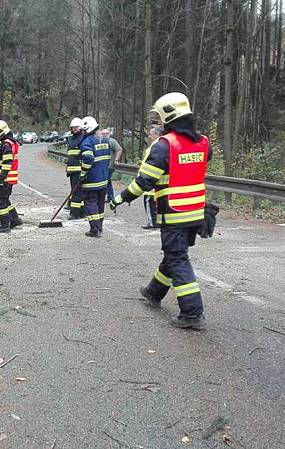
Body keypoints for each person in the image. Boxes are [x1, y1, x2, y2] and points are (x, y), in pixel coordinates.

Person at [110, 92, 211, 330]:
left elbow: (144, 181)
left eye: (160, 119)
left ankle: (192, 313)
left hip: (174, 214)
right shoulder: (203, 142)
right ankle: (154, 291)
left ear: (168, 117)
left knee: (178, 258)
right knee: (174, 254)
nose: (159, 124)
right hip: (196, 212)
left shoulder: (165, 146)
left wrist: (120, 198)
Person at [0, 120, 23, 233]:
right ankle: (15, 219)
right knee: (5, 199)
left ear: (0, 132)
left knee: (0, 202)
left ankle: (5, 225)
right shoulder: (10, 142)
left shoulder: (6, 145)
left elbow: (7, 163)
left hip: (6, 179)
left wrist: (1, 179)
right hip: (9, 179)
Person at [79, 116, 109, 237]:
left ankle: (94, 229)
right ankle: (100, 226)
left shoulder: (88, 141)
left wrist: (83, 173)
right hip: (103, 179)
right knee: (100, 204)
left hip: (91, 180)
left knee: (90, 203)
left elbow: (88, 158)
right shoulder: (104, 140)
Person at [140, 125, 162, 229]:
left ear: (157, 135)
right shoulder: (158, 145)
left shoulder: (156, 146)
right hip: (154, 179)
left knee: (149, 201)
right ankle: (156, 221)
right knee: (154, 202)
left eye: (151, 134)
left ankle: (152, 222)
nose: (149, 136)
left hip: (150, 179)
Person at [65, 117, 86, 219]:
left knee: (77, 192)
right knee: (76, 191)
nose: (74, 129)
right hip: (72, 170)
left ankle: (74, 213)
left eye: (76, 127)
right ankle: (81, 212)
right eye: (73, 127)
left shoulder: (83, 138)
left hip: (79, 170)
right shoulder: (71, 138)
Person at [100, 128, 124, 205]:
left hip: (110, 165)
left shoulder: (112, 141)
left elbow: (119, 149)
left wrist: (116, 160)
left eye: (106, 133)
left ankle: (108, 196)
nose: (105, 135)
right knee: (108, 181)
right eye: (103, 133)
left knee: (106, 180)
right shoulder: (100, 141)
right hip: (102, 165)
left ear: (109, 134)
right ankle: (110, 197)